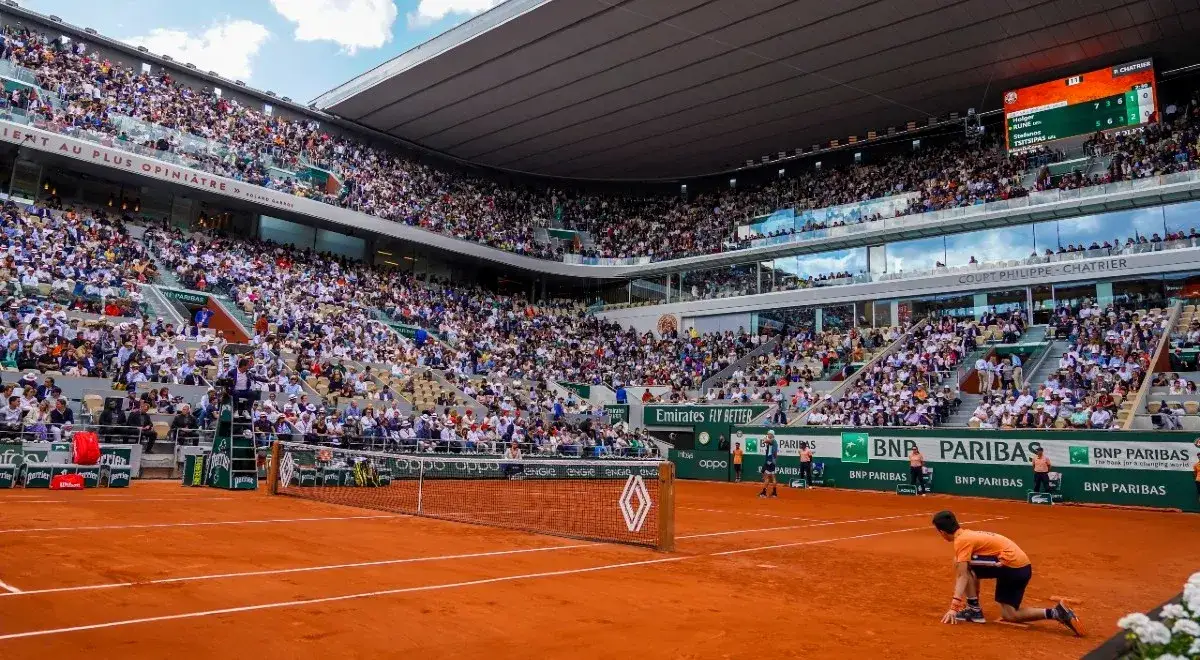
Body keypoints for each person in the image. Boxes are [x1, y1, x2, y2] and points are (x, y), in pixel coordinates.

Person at [932, 510, 1083, 636]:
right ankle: (1056, 613)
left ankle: (974, 610)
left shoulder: (962, 540)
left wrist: (954, 607)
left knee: (960, 563)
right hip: (1022, 568)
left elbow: (963, 574)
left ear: (942, 532)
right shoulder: (968, 534)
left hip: (1011, 568)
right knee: (1010, 615)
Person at [758, 431, 778, 498]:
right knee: (772, 477)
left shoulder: (772, 440)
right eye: (767, 434)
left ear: (772, 435)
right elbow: (775, 454)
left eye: (769, 434)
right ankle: (774, 493)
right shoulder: (774, 442)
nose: (768, 435)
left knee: (767, 477)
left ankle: (764, 493)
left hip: (769, 461)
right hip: (772, 461)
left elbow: (765, 441)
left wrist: (764, 438)